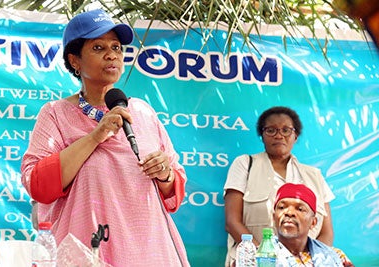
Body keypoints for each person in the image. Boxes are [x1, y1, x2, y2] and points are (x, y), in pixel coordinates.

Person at [20, 9, 189, 267]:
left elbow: (173, 190)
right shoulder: (56, 114)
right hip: (86, 251)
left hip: (149, 252)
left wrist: (164, 173)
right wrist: (96, 136)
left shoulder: (143, 112)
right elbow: (38, 185)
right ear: (75, 60)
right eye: (98, 47)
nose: (112, 54)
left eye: (117, 47)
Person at [223, 106, 335, 267]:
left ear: (295, 135)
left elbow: (326, 232)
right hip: (254, 262)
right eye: (271, 130)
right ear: (262, 135)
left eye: (286, 130)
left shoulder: (314, 175)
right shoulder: (245, 164)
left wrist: (306, 263)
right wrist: (265, 259)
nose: (279, 135)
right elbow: (232, 222)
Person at [273, 183, 354, 266]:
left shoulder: (335, 256)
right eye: (282, 207)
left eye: (300, 209)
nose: (289, 213)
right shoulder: (262, 257)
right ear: (273, 218)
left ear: (313, 222)